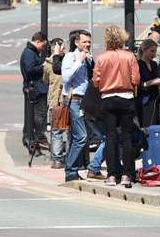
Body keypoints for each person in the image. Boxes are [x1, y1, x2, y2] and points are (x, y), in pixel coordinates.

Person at [92, 26, 140, 187]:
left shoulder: (102, 57)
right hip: (126, 97)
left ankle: (112, 175)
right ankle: (127, 175)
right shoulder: (129, 56)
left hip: (108, 98)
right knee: (127, 137)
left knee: (111, 137)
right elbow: (136, 79)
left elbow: (96, 81)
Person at [61, 30, 93, 182]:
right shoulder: (70, 57)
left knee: (78, 137)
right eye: (84, 41)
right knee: (81, 136)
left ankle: (73, 171)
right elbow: (66, 78)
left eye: (89, 42)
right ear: (76, 42)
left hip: (85, 101)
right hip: (74, 101)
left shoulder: (88, 58)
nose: (87, 44)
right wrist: (79, 61)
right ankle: (70, 169)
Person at [18, 32, 49, 152]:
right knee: (39, 115)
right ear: (38, 41)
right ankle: (38, 137)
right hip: (35, 88)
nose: (43, 48)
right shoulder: (29, 53)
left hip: (35, 87)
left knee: (34, 115)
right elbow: (30, 70)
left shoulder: (31, 52)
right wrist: (44, 67)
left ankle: (30, 136)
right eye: (43, 45)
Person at [44, 38, 66, 169]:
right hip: (64, 100)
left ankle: (57, 160)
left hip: (54, 100)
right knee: (67, 131)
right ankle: (67, 157)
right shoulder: (66, 61)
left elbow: (46, 80)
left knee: (56, 131)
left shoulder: (47, 64)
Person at [137, 39, 160, 128]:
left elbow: (158, 77)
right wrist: (151, 83)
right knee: (146, 124)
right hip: (144, 100)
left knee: (155, 124)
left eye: (155, 51)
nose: (154, 54)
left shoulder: (154, 64)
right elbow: (138, 84)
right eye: (151, 51)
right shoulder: (138, 64)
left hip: (154, 98)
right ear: (144, 50)